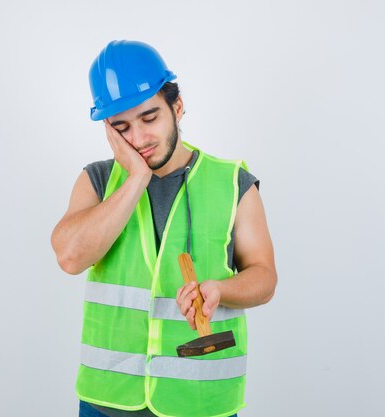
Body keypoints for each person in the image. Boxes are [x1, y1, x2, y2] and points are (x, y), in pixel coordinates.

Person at [51, 40, 277, 417]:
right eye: (122, 127)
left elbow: (265, 278)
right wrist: (136, 177)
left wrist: (221, 289)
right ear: (107, 128)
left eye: (149, 118)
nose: (138, 139)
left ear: (177, 106)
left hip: (200, 404)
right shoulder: (98, 181)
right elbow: (70, 257)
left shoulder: (233, 183)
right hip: (107, 402)